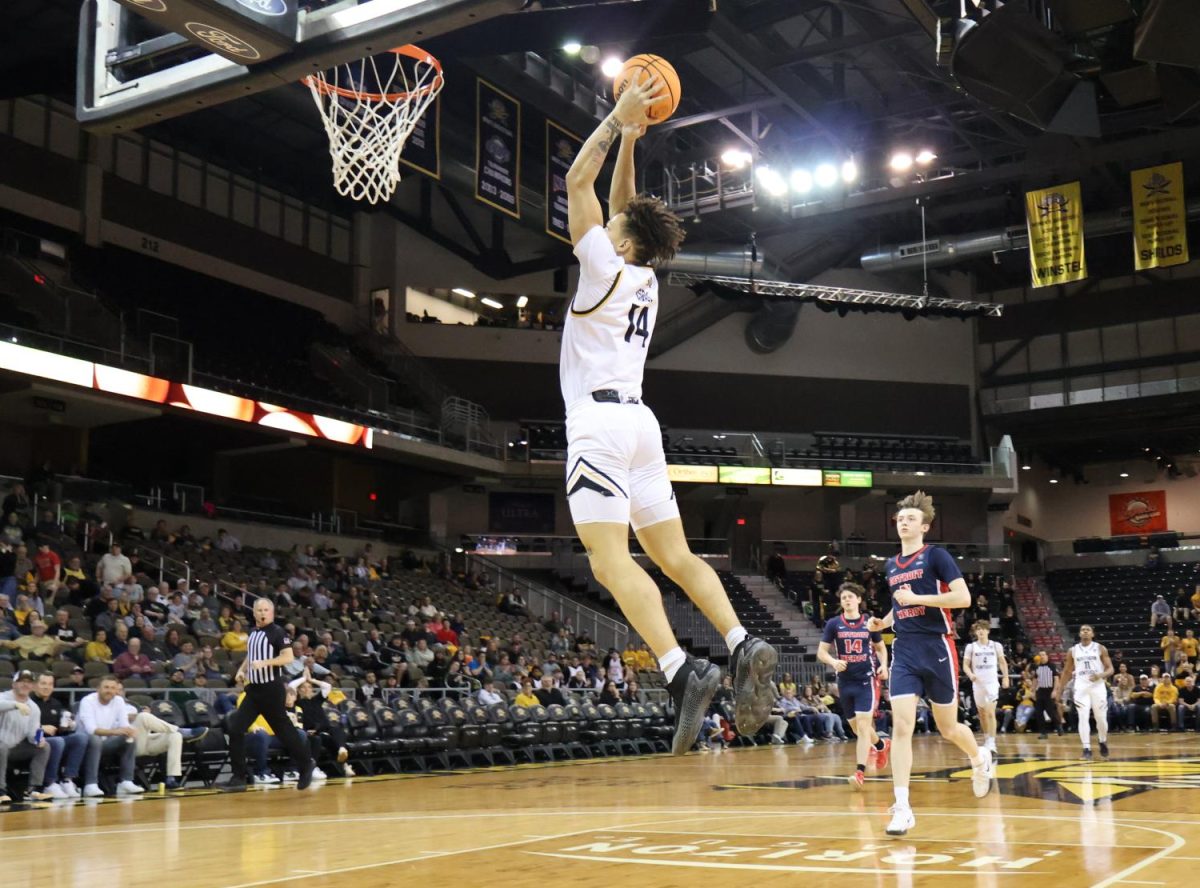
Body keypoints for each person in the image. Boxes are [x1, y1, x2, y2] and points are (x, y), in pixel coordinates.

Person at [560, 73, 777, 756]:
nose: (610, 220)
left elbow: (575, 185)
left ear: (619, 243)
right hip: (642, 427)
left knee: (606, 560)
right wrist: (631, 138)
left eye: (614, 227)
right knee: (675, 555)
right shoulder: (646, 274)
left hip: (598, 425)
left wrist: (611, 119)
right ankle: (742, 642)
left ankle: (682, 669)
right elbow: (625, 204)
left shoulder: (602, 264)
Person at [867, 491, 992, 837]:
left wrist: (918, 598)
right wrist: (885, 622)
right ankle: (903, 807)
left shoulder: (936, 556)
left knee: (948, 728)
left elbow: (963, 598)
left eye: (910, 518)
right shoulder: (891, 565)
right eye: (900, 518)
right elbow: (902, 605)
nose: (903, 522)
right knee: (901, 727)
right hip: (904, 650)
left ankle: (979, 759)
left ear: (924, 525)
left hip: (937, 647)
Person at [224, 598, 314, 790]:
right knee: (235, 729)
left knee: (285, 731)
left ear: (271, 613)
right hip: (254, 690)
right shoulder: (253, 632)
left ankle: (306, 763)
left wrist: (265, 663)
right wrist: (242, 670)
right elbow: (251, 656)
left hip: (271, 690)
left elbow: (288, 657)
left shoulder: (278, 632)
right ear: (254, 613)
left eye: (266, 610)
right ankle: (239, 777)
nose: (263, 613)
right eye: (259, 610)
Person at [818, 582, 890, 788]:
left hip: (866, 680)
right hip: (845, 681)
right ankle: (881, 745)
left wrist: (883, 665)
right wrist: (833, 662)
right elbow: (821, 652)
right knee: (857, 729)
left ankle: (859, 772)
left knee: (864, 725)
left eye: (850, 596)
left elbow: (880, 648)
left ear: (859, 600)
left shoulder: (869, 622)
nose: (847, 600)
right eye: (843, 598)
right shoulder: (833, 624)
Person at [77, 675, 143, 797]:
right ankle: (90, 784)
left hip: (106, 743)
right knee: (95, 739)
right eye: (106, 687)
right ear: (98, 689)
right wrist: (115, 732)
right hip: (86, 744)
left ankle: (126, 781)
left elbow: (124, 724)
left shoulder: (119, 701)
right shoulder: (87, 701)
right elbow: (91, 730)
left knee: (129, 738)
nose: (109, 691)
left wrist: (131, 731)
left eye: (113, 688)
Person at [1056, 624, 1113, 759]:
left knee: (1101, 719)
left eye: (1088, 630)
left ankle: (1102, 740)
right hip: (1081, 687)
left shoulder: (1100, 648)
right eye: (1083, 630)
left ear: (1092, 634)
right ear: (1080, 634)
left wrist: (1101, 675)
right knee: (1083, 716)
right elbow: (1067, 672)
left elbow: (1110, 669)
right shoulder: (1073, 650)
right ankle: (1086, 748)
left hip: (1098, 686)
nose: (1085, 632)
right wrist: (1059, 690)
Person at [0, 670, 52, 803]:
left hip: (14, 747)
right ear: (14, 684)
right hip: (1, 745)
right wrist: (15, 705)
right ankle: (1, 791)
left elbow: (33, 731)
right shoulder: (4, 697)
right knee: (2, 747)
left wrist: (38, 739)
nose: (25, 685)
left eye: (29, 682)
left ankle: (33, 789)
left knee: (44, 747)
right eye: (22, 681)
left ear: (33, 686)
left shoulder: (33, 707)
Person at [962, 620, 1010, 754]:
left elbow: (1003, 663)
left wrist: (1006, 677)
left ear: (988, 631)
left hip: (992, 683)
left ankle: (992, 743)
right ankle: (987, 738)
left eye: (983, 629)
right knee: (982, 714)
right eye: (978, 629)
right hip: (978, 683)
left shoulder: (996, 646)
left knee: (990, 712)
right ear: (975, 632)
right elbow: (965, 665)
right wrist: (970, 674)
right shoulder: (971, 647)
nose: (980, 631)